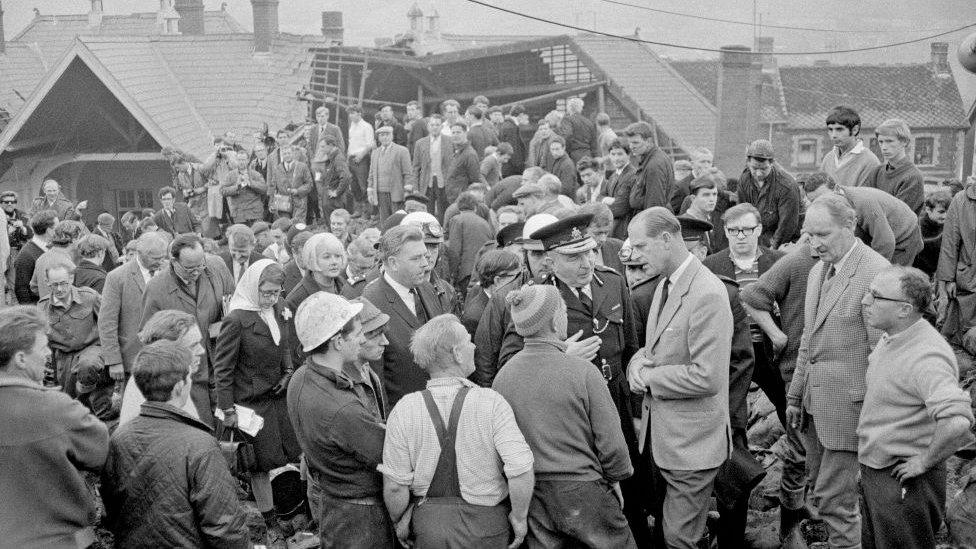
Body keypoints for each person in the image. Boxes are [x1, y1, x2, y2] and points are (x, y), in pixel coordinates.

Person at [784, 194, 890, 549]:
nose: (813, 243)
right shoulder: (818, 270)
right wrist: (796, 395)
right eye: (807, 235)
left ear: (849, 225)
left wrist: (874, 416)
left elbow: (883, 355)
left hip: (851, 412)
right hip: (815, 409)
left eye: (822, 235)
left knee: (837, 504)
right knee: (821, 495)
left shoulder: (876, 273)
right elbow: (807, 341)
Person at [494, 285, 636, 548]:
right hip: (584, 491)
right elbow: (612, 444)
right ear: (553, 319)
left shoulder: (503, 378)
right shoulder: (583, 371)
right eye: (562, 309)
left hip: (534, 497)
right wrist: (615, 477)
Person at [626, 207, 733, 548]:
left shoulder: (707, 293)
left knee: (679, 539)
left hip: (692, 447)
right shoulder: (665, 285)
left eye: (641, 246)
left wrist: (649, 375)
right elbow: (656, 351)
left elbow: (707, 377)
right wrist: (637, 364)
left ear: (667, 239)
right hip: (668, 442)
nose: (634, 254)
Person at [380, 314, 534, 548]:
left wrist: (399, 521)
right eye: (468, 341)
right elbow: (520, 470)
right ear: (457, 353)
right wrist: (520, 518)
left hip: (431, 531)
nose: (474, 346)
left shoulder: (404, 409)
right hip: (487, 528)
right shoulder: (491, 403)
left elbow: (394, 486)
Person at [857, 266, 974, 548]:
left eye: (875, 296)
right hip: (880, 472)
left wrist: (923, 461)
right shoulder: (894, 337)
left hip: (904, 484)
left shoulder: (927, 356)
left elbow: (958, 423)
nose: (865, 301)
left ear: (904, 309)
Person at [102, 340, 251, 549]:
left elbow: (111, 511)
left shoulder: (118, 438)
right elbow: (224, 526)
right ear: (180, 386)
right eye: (189, 376)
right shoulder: (200, 445)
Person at [287, 292, 394, 549]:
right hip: (361, 521)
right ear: (337, 341)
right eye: (358, 334)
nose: (361, 340)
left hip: (334, 507)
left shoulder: (301, 377)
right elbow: (388, 454)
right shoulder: (342, 408)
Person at [0, 305, 109, 548]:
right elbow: (101, 450)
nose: (49, 353)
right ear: (20, 358)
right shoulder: (54, 409)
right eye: (42, 348)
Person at [214, 260, 301, 547]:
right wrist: (227, 410)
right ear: (254, 287)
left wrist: (288, 371)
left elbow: (285, 343)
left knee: (293, 450)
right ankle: (269, 521)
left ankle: (297, 509)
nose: (272, 298)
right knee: (259, 464)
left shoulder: (280, 308)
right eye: (266, 292)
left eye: (276, 292)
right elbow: (223, 369)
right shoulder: (237, 320)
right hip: (251, 403)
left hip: (278, 396)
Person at [737, 241, 819, 546]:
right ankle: (788, 525)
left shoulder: (861, 264)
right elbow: (751, 296)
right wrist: (777, 334)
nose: (816, 241)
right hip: (795, 370)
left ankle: (808, 503)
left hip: (836, 378)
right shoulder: (798, 261)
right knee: (797, 447)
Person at [141, 234, 234, 427]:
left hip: (221, 366)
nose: (197, 272)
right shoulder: (156, 289)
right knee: (199, 428)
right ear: (173, 261)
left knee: (227, 431)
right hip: (187, 376)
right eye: (190, 268)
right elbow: (148, 339)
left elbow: (233, 309)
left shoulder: (216, 267)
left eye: (201, 265)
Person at [362, 225, 449, 406]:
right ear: (393, 263)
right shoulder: (371, 302)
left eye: (425, 256)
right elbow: (375, 380)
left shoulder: (426, 288)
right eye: (416, 258)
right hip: (404, 415)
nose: (425, 264)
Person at [40, 262, 115, 419]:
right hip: (62, 356)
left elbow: (109, 322)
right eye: (54, 285)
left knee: (87, 366)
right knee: (64, 402)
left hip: (91, 348)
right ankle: (82, 411)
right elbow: (40, 339)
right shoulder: (43, 307)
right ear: (47, 283)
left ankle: (90, 405)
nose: (59, 289)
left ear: (71, 279)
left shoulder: (89, 297)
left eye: (63, 283)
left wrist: (115, 357)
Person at [802, 172, 923, 265]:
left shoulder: (863, 203)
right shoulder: (836, 202)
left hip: (904, 238)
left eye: (824, 197)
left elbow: (886, 243)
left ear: (837, 189)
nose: (821, 203)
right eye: (814, 201)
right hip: (881, 237)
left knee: (890, 284)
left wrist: (870, 271)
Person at [99, 232, 168, 383]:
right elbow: (107, 322)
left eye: (163, 257)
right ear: (140, 253)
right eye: (155, 258)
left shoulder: (169, 272)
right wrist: (114, 360)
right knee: (133, 403)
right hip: (134, 357)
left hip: (166, 356)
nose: (160, 261)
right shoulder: (117, 277)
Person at [736, 139, 802, 249]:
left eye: (763, 169)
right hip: (757, 236)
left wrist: (772, 250)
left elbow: (786, 225)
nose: (758, 173)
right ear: (748, 163)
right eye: (754, 168)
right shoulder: (744, 179)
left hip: (785, 241)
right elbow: (742, 213)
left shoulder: (786, 186)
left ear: (771, 163)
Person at [937, 179, 976, 348]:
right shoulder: (961, 200)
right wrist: (948, 278)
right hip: (967, 278)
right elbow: (950, 243)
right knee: (960, 331)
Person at [285, 232, 358, 314]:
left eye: (337, 256)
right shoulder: (296, 299)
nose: (334, 262)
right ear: (312, 259)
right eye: (327, 257)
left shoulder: (345, 285)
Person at [862, 118, 925, 214]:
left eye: (889, 141)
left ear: (904, 142)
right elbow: (863, 202)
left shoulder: (913, 177)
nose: (884, 147)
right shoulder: (876, 172)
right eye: (881, 142)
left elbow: (897, 216)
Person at [461, 249, 521, 336]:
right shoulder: (474, 317)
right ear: (498, 280)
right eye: (517, 276)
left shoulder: (500, 303)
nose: (519, 281)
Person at [820, 106, 880, 187]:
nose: (833, 135)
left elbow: (865, 197)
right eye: (830, 129)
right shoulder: (828, 158)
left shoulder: (870, 161)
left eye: (839, 129)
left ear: (855, 130)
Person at [448, 191, 494, 293]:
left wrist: (452, 276)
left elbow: (455, 251)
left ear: (458, 207)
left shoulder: (456, 220)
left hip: (466, 273)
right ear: (475, 207)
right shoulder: (484, 223)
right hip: (485, 272)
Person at [367, 125, 415, 222]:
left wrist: (407, 191)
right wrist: (370, 191)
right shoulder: (375, 153)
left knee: (398, 221)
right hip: (380, 193)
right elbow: (371, 174)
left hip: (397, 193)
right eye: (382, 135)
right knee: (385, 221)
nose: (385, 137)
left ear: (392, 136)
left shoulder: (402, 151)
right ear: (379, 138)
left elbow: (408, 173)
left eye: (387, 135)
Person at [626, 121, 674, 212]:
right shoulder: (651, 159)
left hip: (652, 219)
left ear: (648, 141)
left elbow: (655, 203)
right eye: (630, 143)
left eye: (635, 143)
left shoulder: (654, 165)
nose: (631, 147)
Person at [413, 114, 453, 221]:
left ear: (442, 127)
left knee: (444, 211)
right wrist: (416, 188)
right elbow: (416, 167)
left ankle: (444, 233)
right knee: (427, 212)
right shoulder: (420, 143)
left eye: (437, 125)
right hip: (427, 182)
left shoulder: (450, 141)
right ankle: (429, 234)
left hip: (444, 182)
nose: (435, 127)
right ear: (428, 127)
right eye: (432, 125)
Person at [32, 219, 84, 301]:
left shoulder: (41, 258)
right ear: (74, 239)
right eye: (80, 237)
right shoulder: (69, 265)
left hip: (45, 309)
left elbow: (34, 287)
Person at [14, 209, 58, 304]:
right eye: (57, 228)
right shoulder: (26, 256)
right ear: (49, 230)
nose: (59, 230)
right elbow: (21, 290)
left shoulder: (51, 248)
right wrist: (33, 315)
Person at [269, 144, 314, 222]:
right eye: (284, 154)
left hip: (299, 202)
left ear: (293, 153)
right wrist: (271, 203)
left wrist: (298, 191)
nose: (287, 155)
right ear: (282, 155)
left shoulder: (302, 167)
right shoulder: (277, 169)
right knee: (283, 226)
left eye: (289, 153)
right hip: (283, 203)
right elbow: (273, 187)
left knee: (297, 227)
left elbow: (309, 184)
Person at [222, 150, 268, 225]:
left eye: (243, 160)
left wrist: (251, 184)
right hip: (239, 215)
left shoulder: (256, 174)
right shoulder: (230, 175)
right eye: (239, 160)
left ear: (248, 160)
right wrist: (237, 186)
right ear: (236, 160)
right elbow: (222, 191)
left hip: (254, 214)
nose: (241, 162)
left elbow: (264, 189)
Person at [605, 138, 638, 240]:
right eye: (613, 154)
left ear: (628, 155)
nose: (616, 158)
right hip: (614, 227)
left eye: (620, 154)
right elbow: (601, 195)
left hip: (625, 228)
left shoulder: (632, 175)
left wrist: (604, 206)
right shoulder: (613, 176)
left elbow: (621, 207)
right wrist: (606, 200)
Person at [445, 120, 485, 204]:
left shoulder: (469, 154)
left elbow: (475, 179)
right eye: (453, 133)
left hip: (463, 201)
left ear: (465, 133)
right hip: (453, 198)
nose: (455, 135)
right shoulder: (457, 151)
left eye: (458, 132)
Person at [347, 105, 376, 217]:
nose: (351, 115)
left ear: (359, 113)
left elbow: (370, 144)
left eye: (353, 113)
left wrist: (361, 155)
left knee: (363, 184)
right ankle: (358, 210)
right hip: (352, 158)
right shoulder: (352, 127)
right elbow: (351, 144)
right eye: (350, 113)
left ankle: (367, 212)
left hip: (362, 158)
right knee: (354, 186)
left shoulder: (366, 126)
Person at [315, 134, 352, 225]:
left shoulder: (338, 158)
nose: (321, 149)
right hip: (330, 198)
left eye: (323, 146)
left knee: (336, 225)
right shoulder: (331, 158)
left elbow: (346, 176)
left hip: (335, 201)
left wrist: (337, 192)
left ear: (331, 145)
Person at [915, 189, 951, 276]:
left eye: (948, 212)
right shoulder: (917, 226)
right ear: (928, 209)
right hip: (920, 273)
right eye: (941, 212)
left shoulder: (947, 225)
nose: (945, 216)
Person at [563, 97, 598, 162]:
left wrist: (566, 151)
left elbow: (567, 135)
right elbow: (594, 143)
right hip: (588, 155)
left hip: (573, 155)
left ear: (569, 108)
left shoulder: (567, 120)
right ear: (581, 108)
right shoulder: (589, 122)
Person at [499, 104, 529, 177]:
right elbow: (513, 148)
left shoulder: (508, 125)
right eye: (526, 115)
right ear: (521, 114)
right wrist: (519, 166)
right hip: (512, 168)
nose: (527, 117)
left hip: (508, 165)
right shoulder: (511, 128)